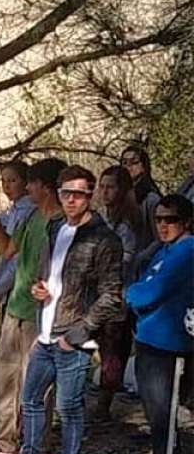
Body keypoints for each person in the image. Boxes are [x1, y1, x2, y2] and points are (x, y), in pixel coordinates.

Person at [0, 165, 124, 454]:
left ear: (89, 194)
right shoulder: (54, 227)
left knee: (69, 408)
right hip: (46, 330)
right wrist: (40, 289)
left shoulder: (103, 238)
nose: (71, 199)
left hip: (74, 338)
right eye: (66, 192)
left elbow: (112, 295)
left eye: (79, 193)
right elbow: (47, 270)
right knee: (32, 399)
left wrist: (78, 334)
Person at [0, 158, 64, 452]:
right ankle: (5, 439)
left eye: (31, 183)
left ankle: (34, 442)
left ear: (47, 187)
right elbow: (8, 251)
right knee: (6, 378)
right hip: (16, 308)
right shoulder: (30, 218)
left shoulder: (62, 225)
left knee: (36, 382)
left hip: (42, 315)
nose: (27, 188)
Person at [123, 193, 194, 454]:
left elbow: (149, 290)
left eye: (171, 220)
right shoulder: (166, 250)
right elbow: (146, 281)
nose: (163, 225)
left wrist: (132, 295)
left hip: (165, 344)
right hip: (151, 338)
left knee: (162, 416)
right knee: (157, 417)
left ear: (187, 222)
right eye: (159, 219)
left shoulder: (186, 251)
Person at [92, 165, 144, 419]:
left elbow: (125, 259)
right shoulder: (99, 217)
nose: (105, 192)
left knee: (113, 351)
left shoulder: (128, 225)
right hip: (95, 295)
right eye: (102, 186)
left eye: (110, 187)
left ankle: (104, 403)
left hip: (118, 296)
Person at [0, 161, 35, 307]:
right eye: (3, 181)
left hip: (20, 292)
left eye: (12, 181)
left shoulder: (28, 212)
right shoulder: (15, 209)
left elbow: (12, 257)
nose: (6, 186)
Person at [121, 143, 162, 245]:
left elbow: (159, 238)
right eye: (124, 162)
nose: (128, 166)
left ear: (144, 166)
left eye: (134, 162)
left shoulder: (151, 199)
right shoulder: (118, 195)